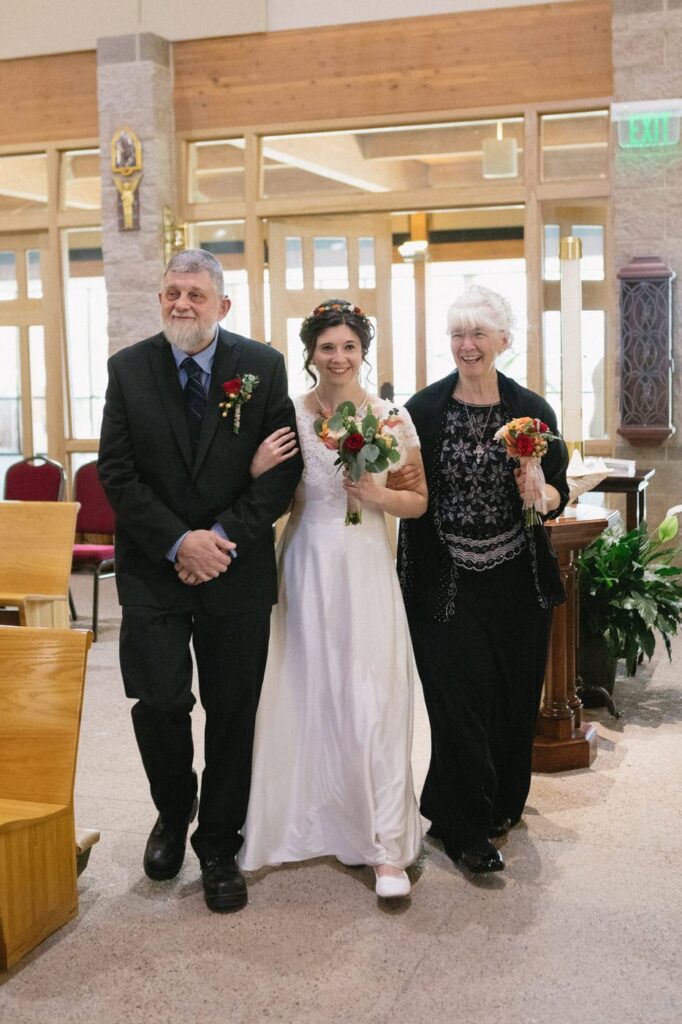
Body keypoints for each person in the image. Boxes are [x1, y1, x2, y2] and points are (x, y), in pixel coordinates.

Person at [97, 249, 302, 913]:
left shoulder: (262, 367)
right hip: (152, 568)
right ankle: (172, 809)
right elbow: (117, 473)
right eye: (172, 293)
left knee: (233, 708)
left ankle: (218, 842)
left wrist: (217, 539)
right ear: (161, 299)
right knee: (158, 700)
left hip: (233, 569)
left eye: (195, 294)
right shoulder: (128, 369)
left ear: (223, 305)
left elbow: (282, 472)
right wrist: (178, 542)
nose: (181, 304)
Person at [238, 299, 428, 899]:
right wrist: (255, 466)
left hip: (367, 564)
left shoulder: (391, 417)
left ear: (363, 351)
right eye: (327, 347)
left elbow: (418, 500)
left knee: (371, 695)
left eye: (349, 346)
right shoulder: (288, 414)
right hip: (305, 563)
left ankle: (384, 847)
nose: (338, 357)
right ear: (311, 353)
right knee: (302, 689)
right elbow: (263, 490)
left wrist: (377, 496)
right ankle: (297, 824)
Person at [397, 285, 568, 874]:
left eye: (478, 334)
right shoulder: (423, 410)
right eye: (457, 334)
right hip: (444, 580)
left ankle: (490, 804)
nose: (467, 345)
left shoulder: (532, 410)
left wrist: (542, 493)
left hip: (517, 581)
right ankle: (466, 831)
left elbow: (557, 489)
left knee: (510, 699)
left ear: (504, 340)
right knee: (458, 702)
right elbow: (407, 486)